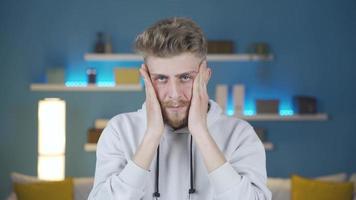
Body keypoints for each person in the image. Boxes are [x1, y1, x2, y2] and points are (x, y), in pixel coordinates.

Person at [88, 17, 271, 200]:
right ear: (147, 79)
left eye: (185, 77)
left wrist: (200, 131)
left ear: (205, 76)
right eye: (161, 78)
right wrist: (152, 136)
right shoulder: (119, 131)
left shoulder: (240, 134)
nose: (174, 94)